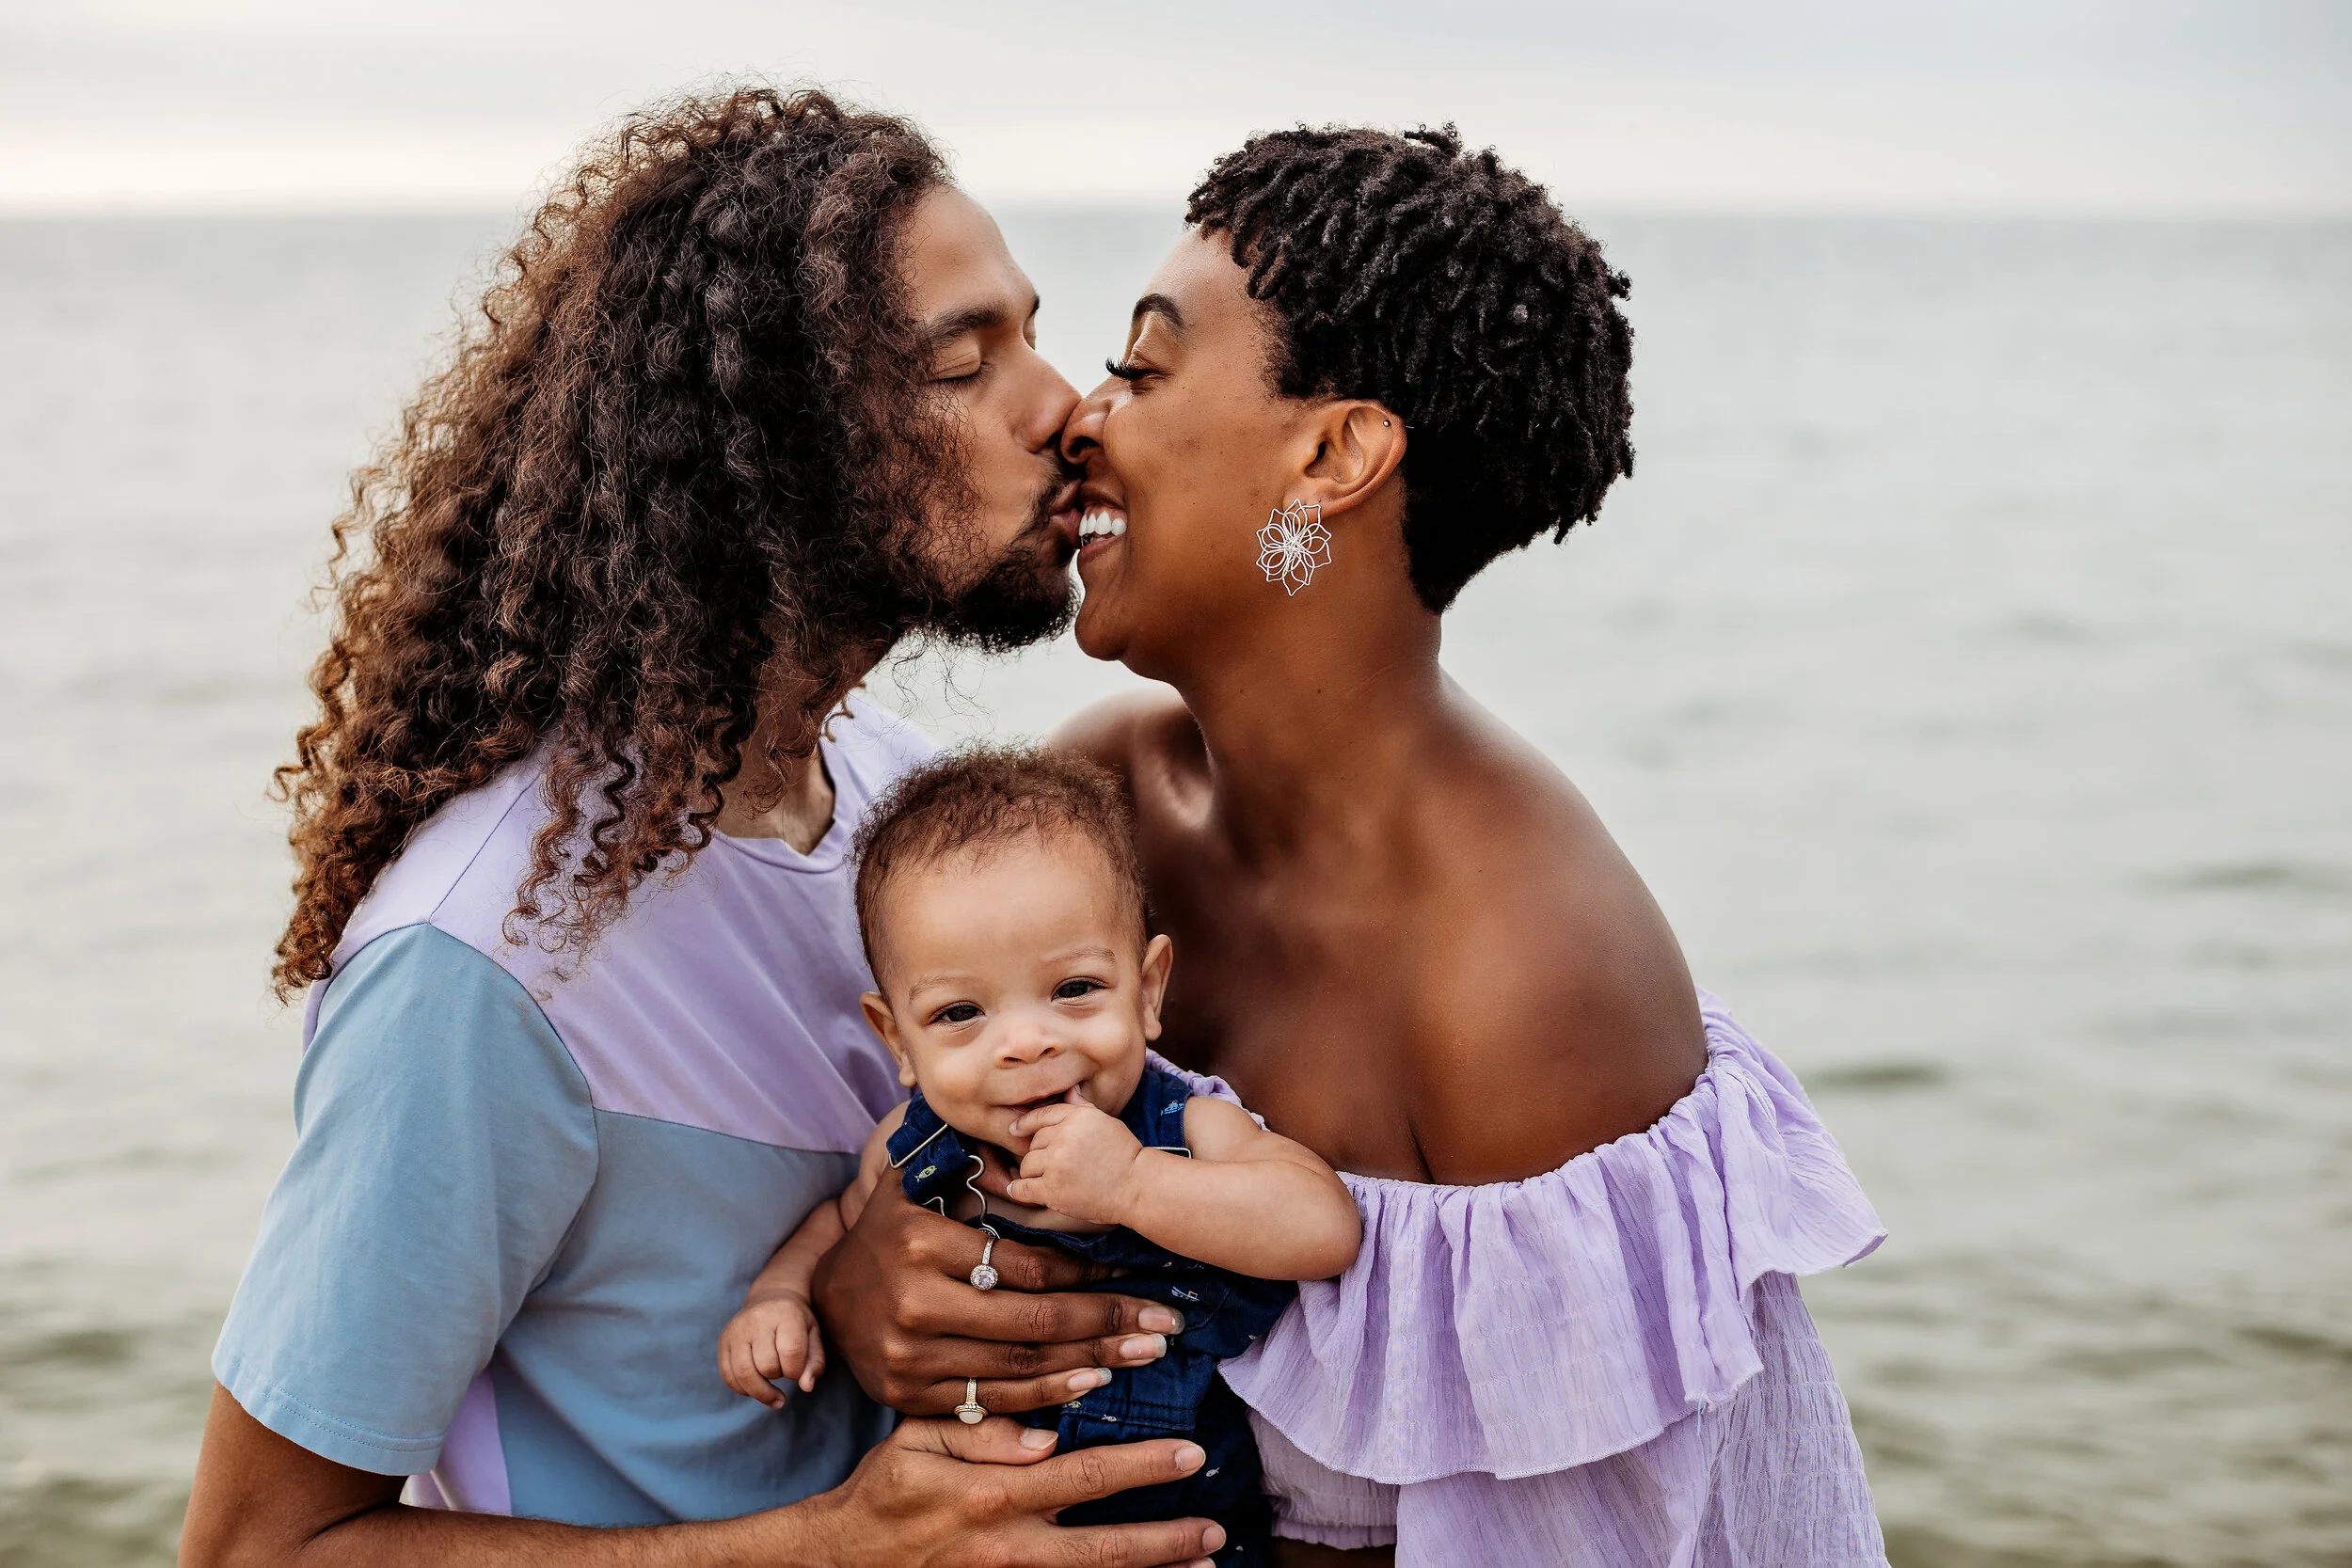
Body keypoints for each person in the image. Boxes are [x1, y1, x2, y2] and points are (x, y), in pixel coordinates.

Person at [180, 88, 1228, 1568]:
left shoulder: (900, 801)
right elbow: (259, 1551)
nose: (1060, 405)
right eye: (962, 360)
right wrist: (834, 1542)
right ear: (778, 453)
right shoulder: (482, 967)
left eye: (1032, 331)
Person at [816, 126, 1890, 1565]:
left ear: (1334, 453)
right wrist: (868, 1272)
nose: (1085, 414)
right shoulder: (1100, 797)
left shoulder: (1520, 979)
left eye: (1142, 368)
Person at [719, 746, 1361, 1562]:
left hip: (1185, 1536)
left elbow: (1324, 1226)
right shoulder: (911, 1146)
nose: (1025, 1042)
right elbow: (835, 1226)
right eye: (959, 1012)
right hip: (970, 1533)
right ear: (899, 1041)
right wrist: (779, 1297)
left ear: (1148, 987)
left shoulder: (1184, 1127)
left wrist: (1135, 1182)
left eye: (1074, 989)